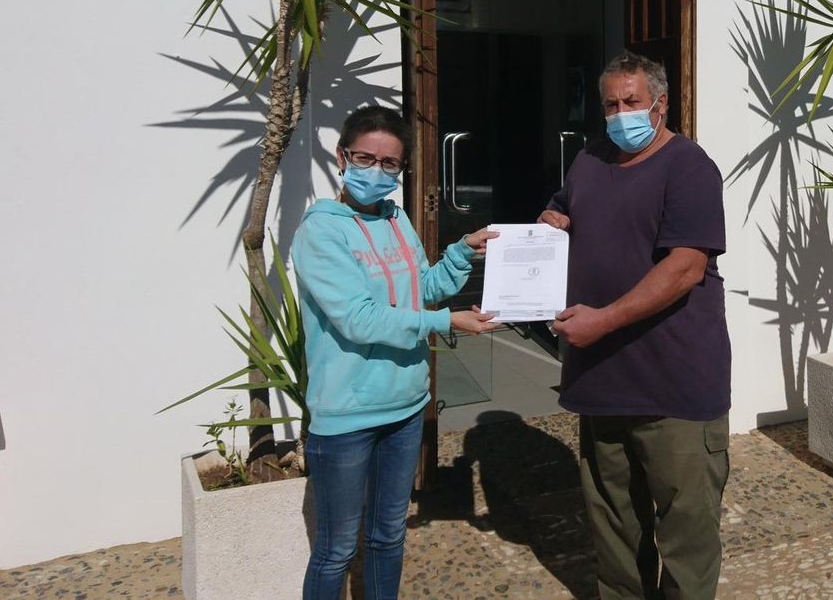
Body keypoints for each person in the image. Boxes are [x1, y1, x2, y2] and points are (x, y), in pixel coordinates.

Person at [541, 51, 730, 600]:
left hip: (673, 387)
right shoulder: (588, 160)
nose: (620, 113)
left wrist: (602, 320)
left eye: (632, 101)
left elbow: (685, 267)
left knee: (687, 535)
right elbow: (562, 211)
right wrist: (549, 222)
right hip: (602, 382)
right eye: (610, 104)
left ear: (660, 103)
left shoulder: (689, 166)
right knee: (615, 532)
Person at [293, 105, 498, 600]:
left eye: (391, 164)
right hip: (346, 415)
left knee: (388, 536)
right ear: (343, 157)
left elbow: (421, 289)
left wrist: (461, 253)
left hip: (405, 406)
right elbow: (359, 318)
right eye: (366, 158)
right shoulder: (321, 231)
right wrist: (445, 322)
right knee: (336, 550)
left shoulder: (396, 218)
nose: (377, 171)